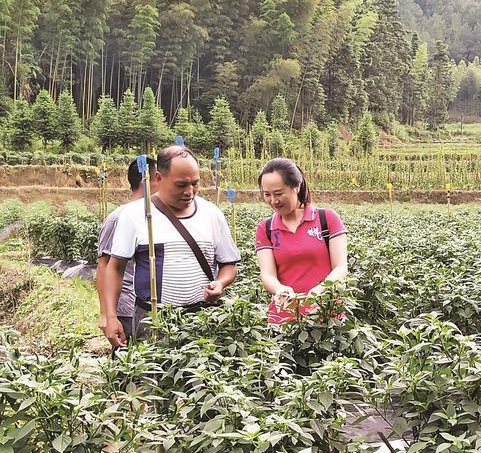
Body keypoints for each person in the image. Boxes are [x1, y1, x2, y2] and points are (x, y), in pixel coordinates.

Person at [101, 145, 239, 348]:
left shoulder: (212, 214)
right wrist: (110, 316)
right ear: (158, 178)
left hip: (202, 318)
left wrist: (221, 283)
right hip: (153, 319)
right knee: (152, 375)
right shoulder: (134, 215)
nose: (189, 192)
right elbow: (115, 268)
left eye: (195, 184)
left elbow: (229, 265)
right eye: (181, 185)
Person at [254, 158, 347, 325]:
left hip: (326, 314)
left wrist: (319, 292)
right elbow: (267, 275)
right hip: (284, 317)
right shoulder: (265, 229)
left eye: (279, 193)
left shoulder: (327, 219)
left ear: (296, 187)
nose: (273, 201)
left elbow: (340, 268)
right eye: (267, 195)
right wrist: (279, 289)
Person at [95, 156, 156, 343]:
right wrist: (106, 315)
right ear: (148, 180)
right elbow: (103, 266)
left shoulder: (156, 215)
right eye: (160, 178)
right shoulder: (119, 218)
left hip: (148, 305)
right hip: (127, 308)